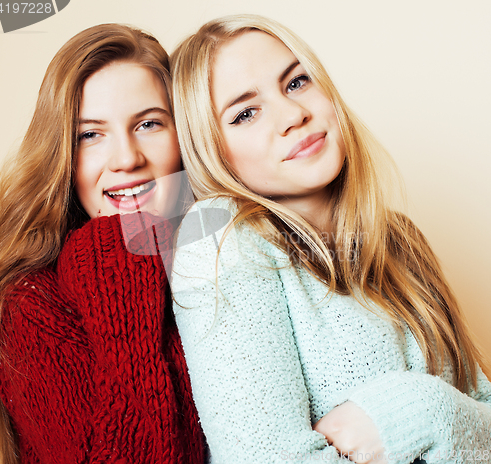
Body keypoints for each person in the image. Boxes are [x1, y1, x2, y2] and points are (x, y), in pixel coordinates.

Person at [170, 14, 491, 464]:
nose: (293, 115)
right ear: (212, 150)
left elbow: (482, 407)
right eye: (245, 113)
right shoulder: (220, 237)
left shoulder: (399, 241)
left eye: (297, 82)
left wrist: (426, 411)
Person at [0, 24, 205, 464]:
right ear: (62, 157)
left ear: (185, 136)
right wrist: (120, 255)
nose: (127, 158)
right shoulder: (27, 304)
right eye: (90, 135)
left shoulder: (224, 253)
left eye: (148, 124)